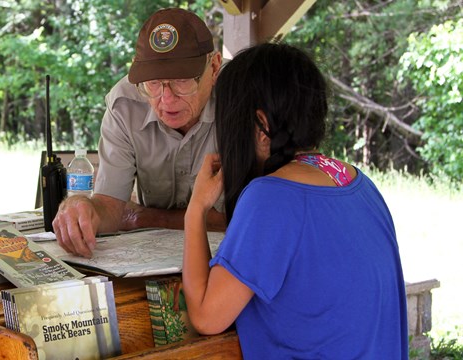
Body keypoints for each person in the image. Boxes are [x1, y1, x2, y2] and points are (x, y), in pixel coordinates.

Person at [182, 43, 408, 358]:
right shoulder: (359, 183)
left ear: (262, 128)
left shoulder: (270, 197)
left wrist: (196, 209)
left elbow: (207, 316)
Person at [53, 8, 226, 258]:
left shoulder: (246, 97)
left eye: (182, 81)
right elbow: (110, 208)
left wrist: (146, 217)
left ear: (215, 66)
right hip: (153, 260)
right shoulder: (124, 104)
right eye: (153, 83)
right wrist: (83, 208)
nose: (166, 99)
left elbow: (253, 216)